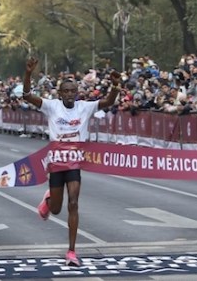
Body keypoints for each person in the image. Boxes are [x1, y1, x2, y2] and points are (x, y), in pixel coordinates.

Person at [21, 57, 121, 267]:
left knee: (73, 203)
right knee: (56, 210)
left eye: (72, 91)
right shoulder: (52, 106)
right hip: (56, 163)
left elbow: (109, 102)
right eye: (65, 91)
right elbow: (27, 95)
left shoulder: (84, 107)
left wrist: (115, 85)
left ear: (77, 92)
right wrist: (28, 73)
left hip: (75, 162)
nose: (69, 94)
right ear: (60, 94)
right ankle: (49, 201)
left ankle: (72, 252)